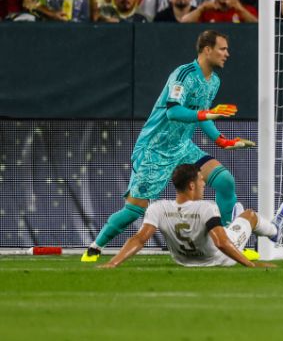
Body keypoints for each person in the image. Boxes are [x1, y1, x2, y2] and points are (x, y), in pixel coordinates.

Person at [81, 30, 255, 263]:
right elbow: (174, 112)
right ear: (207, 50)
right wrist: (207, 113)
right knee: (134, 211)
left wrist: (222, 141)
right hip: (155, 149)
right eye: (223, 49)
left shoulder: (213, 81)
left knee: (225, 182)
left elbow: (201, 118)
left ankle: (228, 242)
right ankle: (94, 247)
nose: (227, 54)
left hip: (183, 146)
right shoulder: (183, 75)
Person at [97, 163, 283, 269]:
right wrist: (251, 265)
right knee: (250, 215)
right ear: (191, 185)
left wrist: (113, 263)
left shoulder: (157, 208)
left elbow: (139, 239)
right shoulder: (208, 208)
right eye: (201, 181)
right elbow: (221, 243)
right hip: (219, 259)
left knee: (231, 227)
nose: (204, 184)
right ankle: (275, 230)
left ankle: (235, 224)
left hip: (184, 261)